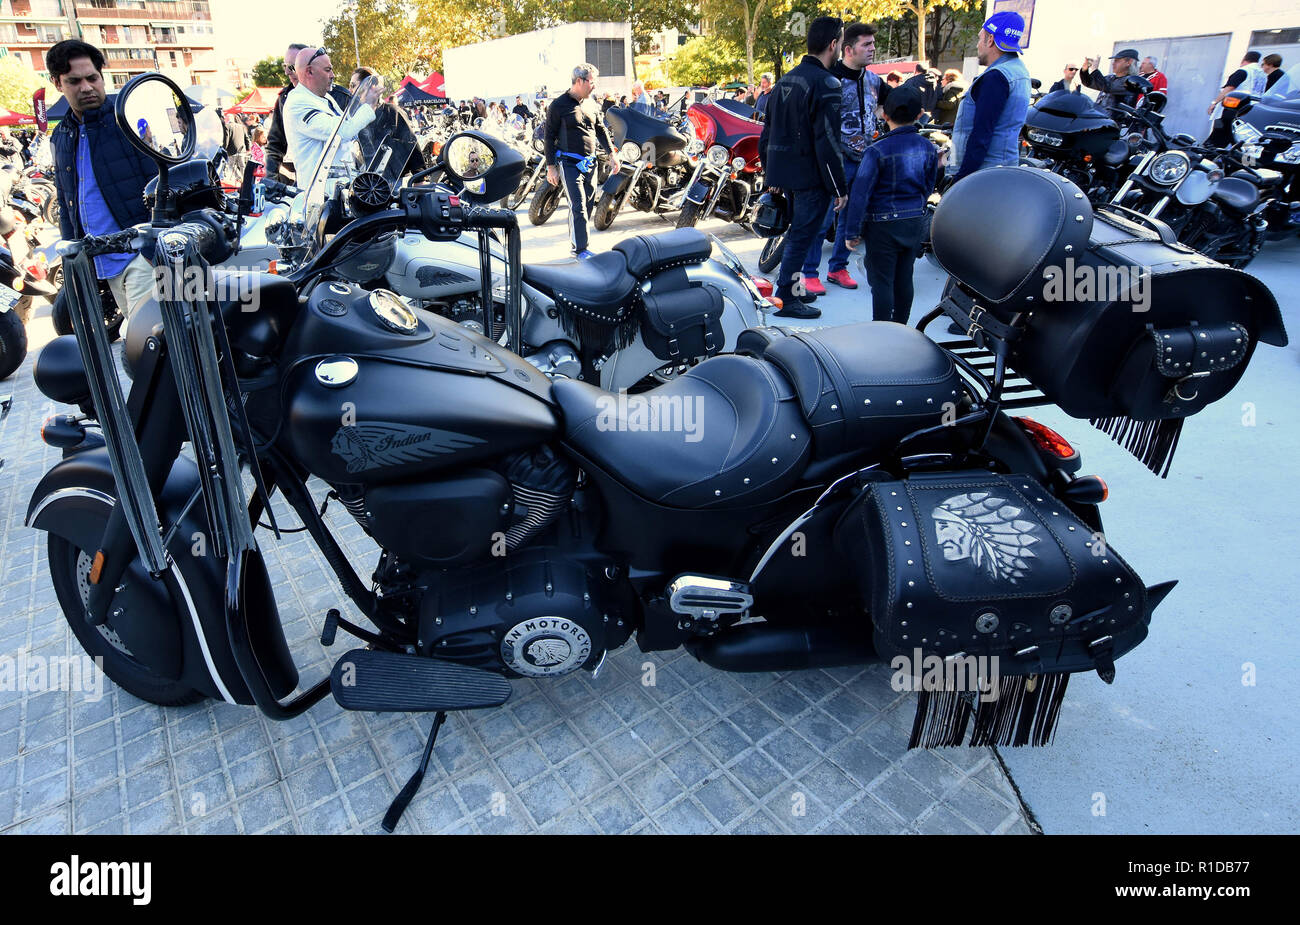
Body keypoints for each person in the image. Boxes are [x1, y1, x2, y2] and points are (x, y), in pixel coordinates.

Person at [45, 39, 157, 326]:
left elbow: (161, 184)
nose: (86, 87)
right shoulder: (61, 136)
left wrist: (153, 251)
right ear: (58, 83)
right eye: (74, 81)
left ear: (101, 77)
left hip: (141, 257)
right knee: (145, 345)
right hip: (103, 260)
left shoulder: (128, 122)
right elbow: (67, 200)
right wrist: (72, 258)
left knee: (148, 339)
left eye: (92, 78)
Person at [758, 15, 847, 318]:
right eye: (841, 42)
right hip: (811, 176)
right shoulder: (827, 83)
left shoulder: (787, 79)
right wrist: (839, 187)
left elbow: (767, 131)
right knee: (801, 236)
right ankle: (787, 296)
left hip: (788, 174)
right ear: (834, 44)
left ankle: (793, 290)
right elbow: (828, 140)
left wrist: (770, 173)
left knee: (799, 234)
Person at [843, 86, 937, 324]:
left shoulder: (876, 150)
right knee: (905, 277)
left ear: (884, 115)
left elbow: (860, 194)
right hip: (914, 220)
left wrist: (852, 231)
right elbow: (929, 185)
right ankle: (901, 328)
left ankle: (882, 331)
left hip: (882, 224)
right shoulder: (927, 147)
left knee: (882, 281)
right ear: (919, 115)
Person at [802, 21, 883, 294]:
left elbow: (889, 107)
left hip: (865, 161)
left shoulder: (874, 80)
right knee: (823, 218)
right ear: (848, 49)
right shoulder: (829, 78)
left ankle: (838, 267)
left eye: (873, 43)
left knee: (852, 219)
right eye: (866, 44)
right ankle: (809, 272)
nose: (872, 49)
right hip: (833, 161)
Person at [543, 63, 620, 258]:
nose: (595, 86)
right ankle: (579, 250)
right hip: (569, 163)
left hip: (590, 164)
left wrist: (612, 154)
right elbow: (549, 137)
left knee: (586, 205)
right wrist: (551, 167)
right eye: (592, 82)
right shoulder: (558, 105)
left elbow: (600, 129)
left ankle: (581, 243)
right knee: (577, 206)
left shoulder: (591, 103)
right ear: (580, 81)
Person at [949, 11, 1031, 183]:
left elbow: (982, 133)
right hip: (1002, 167)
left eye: (980, 39)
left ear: (991, 39)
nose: (978, 45)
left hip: (983, 173)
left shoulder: (997, 76)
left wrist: (960, 180)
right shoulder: (1018, 71)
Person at [283, 46, 377, 187]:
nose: (332, 75)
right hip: (319, 197)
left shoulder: (325, 97)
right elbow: (342, 132)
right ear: (309, 71)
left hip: (339, 191)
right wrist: (369, 105)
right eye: (327, 70)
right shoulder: (297, 103)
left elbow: (350, 131)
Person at [265, 42, 308, 182]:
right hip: (301, 179)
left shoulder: (336, 95)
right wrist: (271, 180)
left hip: (336, 181)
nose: (287, 72)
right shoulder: (284, 98)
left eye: (292, 66)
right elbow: (275, 144)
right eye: (285, 66)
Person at [1207, 51, 1268, 145]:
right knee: (1237, 139)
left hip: (1231, 109)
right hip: (1251, 110)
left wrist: (1214, 103)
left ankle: (1209, 155)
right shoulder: (1263, 75)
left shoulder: (1244, 71)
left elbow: (1229, 88)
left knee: (1218, 136)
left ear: (1244, 59)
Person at [1080, 48, 1146, 117]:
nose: (1113, 63)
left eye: (1117, 61)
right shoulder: (1110, 77)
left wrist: (1095, 70)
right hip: (1099, 119)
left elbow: (1107, 87)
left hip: (1115, 123)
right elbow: (1089, 83)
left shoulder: (1131, 81)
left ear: (1129, 62)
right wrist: (1085, 70)